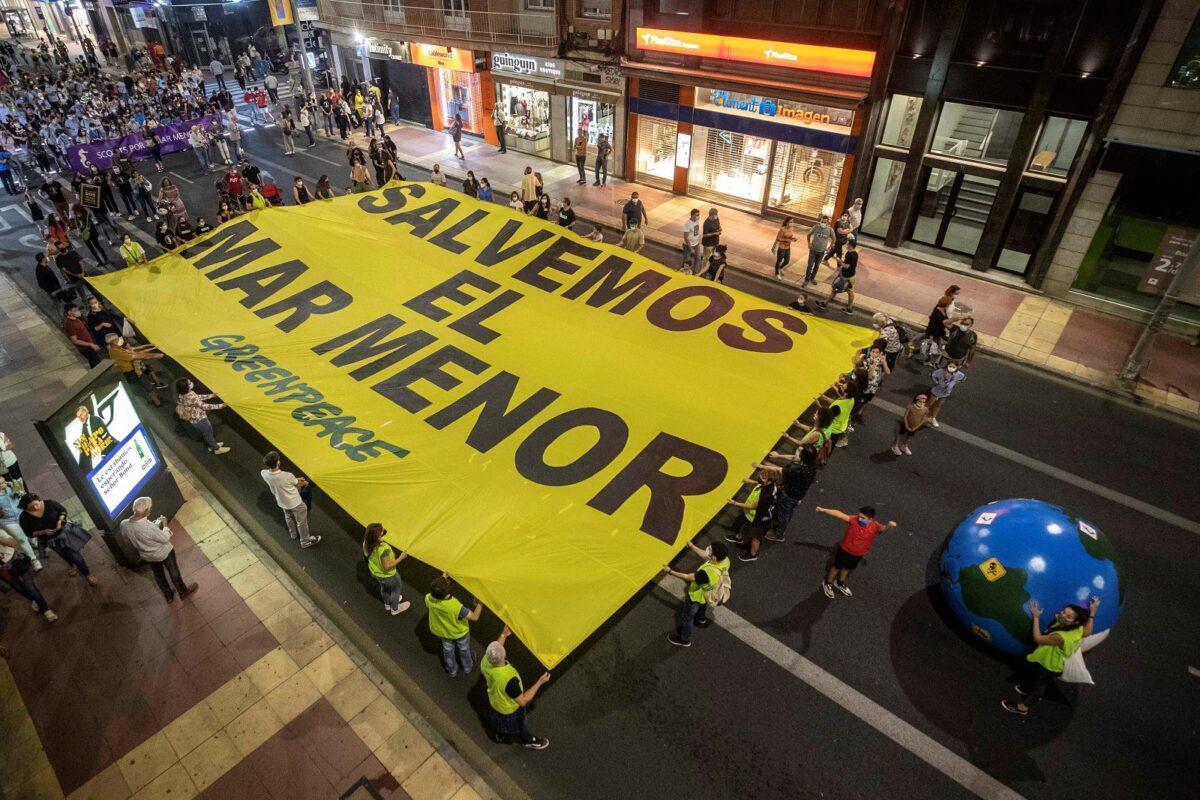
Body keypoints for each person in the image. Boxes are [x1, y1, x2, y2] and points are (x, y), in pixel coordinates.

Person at [1002, 597, 1098, 716]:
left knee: (1038, 687)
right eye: (1064, 612)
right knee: (1036, 679)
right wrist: (1093, 612)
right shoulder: (1077, 628)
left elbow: (1037, 638)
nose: (1062, 615)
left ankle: (1023, 707)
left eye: (1068, 616)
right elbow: (1088, 631)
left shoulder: (1060, 637)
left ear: (1075, 621)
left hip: (1049, 666)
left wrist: (1036, 617)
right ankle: (1028, 690)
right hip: (1049, 661)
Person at [481, 625, 551, 749]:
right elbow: (523, 701)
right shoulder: (509, 680)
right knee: (519, 726)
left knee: (499, 723)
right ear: (504, 655)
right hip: (509, 710)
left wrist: (503, 634)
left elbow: (496, 648)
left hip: (495, 703)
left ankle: (500, 734)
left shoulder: (486, 662)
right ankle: (528, 740)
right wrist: (540, 682)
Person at [121, 496, 197, 602]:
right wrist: (165, 525)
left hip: (147, 556)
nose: (151, 510)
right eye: (150, 508)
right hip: (163, 552)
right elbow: (165, 538)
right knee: (173, 571)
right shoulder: (148, 527)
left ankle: (168, 596)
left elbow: (126, 538)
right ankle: (183, 592)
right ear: (146, 511)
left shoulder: (124, 524)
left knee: (158, 575)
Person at [815, 506, 896, 598]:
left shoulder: (875, 526)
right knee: (836, 567)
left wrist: (889, 526)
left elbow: (882, 529)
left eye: (863, 518)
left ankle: (840, 582)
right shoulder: (854, 520)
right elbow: (839, 514)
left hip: (858, 554)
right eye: (859, 516)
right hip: (844, 550)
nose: (859, 519)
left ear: (870, 519)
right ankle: (827, 583)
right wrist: (824, 510)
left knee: (847, 568)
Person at [18, 494, 97, 585]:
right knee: (63, 554)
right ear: (25, 508)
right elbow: (28, 533)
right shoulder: (24, 517)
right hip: (49, 541)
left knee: (76, 556)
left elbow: (63, 511)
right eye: (31, 507)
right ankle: (72, 565)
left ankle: (87, 574)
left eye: (37, 504)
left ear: (39, 500)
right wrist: (42, 532)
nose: (36, 507)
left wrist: (59, 520)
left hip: (64, 535)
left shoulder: (50, 503)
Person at [663, 540, 730, 647]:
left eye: (710, 549)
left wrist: (670, 571)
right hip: (707, 593)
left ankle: (685, 639)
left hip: (696, 596)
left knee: (687, 617)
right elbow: (705, 556)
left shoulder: (706, 574)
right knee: (703, 604)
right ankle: (701, 618)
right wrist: (692, 546)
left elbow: (687, 577)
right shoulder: (725, 560)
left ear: (714, 557)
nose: (708, 547)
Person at [756, 445, 818, 543]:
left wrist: (762, 466)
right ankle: (779, 530)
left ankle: (778, 534)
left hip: (789, 495)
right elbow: (794, 458)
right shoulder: (813, 465)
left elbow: (781, 470)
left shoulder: (799, 470)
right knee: (788, 513)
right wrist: (778, 456)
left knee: (783, 515)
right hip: (799, 494)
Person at [426, 574, 483, 677]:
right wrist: (481, 603)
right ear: (447, 592)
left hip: (442, 632)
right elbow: (475, 617)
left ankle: (452, 670)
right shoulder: (455, 607)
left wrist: (442, 577)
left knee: (447, 650)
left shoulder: (428, 598)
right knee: (464, 649)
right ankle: (467, 667)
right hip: (459, 633)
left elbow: (436, 590)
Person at [260, 450, 320, 548]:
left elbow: (290, 481)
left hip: (281, 501)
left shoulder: (264, 473)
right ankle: (305, 541)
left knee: (288, 516)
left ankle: (293, 534)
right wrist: (305, 482)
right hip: (295, 503)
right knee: (302, 522)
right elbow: (296, 483)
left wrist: (296, 480)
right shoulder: (287, 475)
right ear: (278, 462)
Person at [1, 529, 56, 622]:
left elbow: (12, 542)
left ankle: (46, 610)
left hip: (15, 562)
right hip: (3, 571)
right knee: (19, 588)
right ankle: (34, 600)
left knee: (30, 587)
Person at [725, 468, 778, 562]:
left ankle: (752, 554)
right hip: (753, 515)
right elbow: (759, 482)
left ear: (767, 480)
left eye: (762, 477)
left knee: (755, 537)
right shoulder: (772, 485)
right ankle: (739, 537)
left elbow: (752, 506)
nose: (760, 478)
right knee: (745, 524)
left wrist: (734, 503)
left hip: (759, 518)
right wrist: (749, 481)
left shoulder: (765, 495)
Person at [174, 378, 231, 455]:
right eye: (189, 383)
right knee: (208, 432)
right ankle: (216, 448)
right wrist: (220, 406)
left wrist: (211, 396)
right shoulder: (190, 396)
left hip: (195, 417)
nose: (191, 383)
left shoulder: (183, 393)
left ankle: (212, 445)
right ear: (186, 387)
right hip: (199, 418)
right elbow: (204, 406)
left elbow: (197, 397)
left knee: (207, 432)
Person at [362, 522, 409, 614]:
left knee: (384, 588)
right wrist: (401, 557)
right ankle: (394, 609)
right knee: (396, 590)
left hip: (377, 573)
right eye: (381, 530)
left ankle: (387, 604)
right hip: (388, 575)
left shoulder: (366, 542)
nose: (383, 531)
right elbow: (387, 566)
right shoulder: (383, 548)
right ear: (378, 535)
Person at [0, 476, 40, 570]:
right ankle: (34, 560)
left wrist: (20, 491)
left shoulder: (11, 486)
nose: (5, 483)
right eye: (2, 483)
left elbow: (23, 496)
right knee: (21, 539)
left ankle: (34, 542)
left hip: (21, 514)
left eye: (4, 481)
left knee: (30, 530)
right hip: (7, 520)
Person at [815, 236, 857, 315]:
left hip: (846, 278)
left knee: (838, 289)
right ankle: (826, 304)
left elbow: (847, 266)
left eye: (847, 244)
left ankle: (826, 304)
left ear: (851, 245)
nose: (846, 245)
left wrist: (840, 261)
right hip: (850, 276)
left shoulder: (849, 254)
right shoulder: (855, 254)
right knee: (842, 290)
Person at [891, 391, 929, 456]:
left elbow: (924, 419)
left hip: (915, 426)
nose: (922, 403)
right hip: (906, 424)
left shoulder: (925, 409)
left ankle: (904, 446)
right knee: (900, 434)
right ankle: (895, 446)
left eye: (924, 401)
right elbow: (905, 416)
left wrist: (916, 427)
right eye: (920, 401)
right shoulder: (911, 406)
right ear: (916, 400)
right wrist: (906, 425)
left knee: (909, 436)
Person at [917, 296, 952, 365]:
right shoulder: (936, 313)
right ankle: (925, 360)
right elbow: (931, 326)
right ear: (946, 304)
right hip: (933, 334)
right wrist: (931, 337)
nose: (950, 305)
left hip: (939, 333)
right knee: (929, 348)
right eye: (949, 304)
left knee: (932, 347)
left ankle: (926, 359)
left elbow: (944, 321)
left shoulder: (943, 310)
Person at [928, 361, 965, 427]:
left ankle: (933, 418)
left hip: (945, 393)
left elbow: (963, 378)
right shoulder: (941, 371)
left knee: (938, 405)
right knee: (930, 404)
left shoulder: (958, 374)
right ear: (947, 365)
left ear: (957, 367)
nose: (952, 368)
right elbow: (932, 375)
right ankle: (925, 415)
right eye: (950, 366)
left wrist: (955, 382)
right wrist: (936, 382)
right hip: (936, 390)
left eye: (954, 367)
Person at [804, 214, 834, 286]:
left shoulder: (830, 230)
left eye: (825, 222)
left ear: (827, 223)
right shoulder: (816, 227)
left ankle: (812, 278)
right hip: (813, 250)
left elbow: (834, 239)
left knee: (817, 266)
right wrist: (809, 243)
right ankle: (807, 279)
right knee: (810, 266)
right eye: (822, 222)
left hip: (821, 252)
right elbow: (808, 234)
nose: (823, 223)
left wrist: (829, 247)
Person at [681, 208, 702, 274]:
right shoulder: (687, 224)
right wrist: (691, 248)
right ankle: (683, 272)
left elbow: (696, 232)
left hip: (696, 244)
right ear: (692, 215)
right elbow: (686, 238)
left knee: (698, 258)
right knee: (686, 260)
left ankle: (695, 273)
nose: (698, 216)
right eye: (697, 215)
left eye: (698, 215)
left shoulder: (697, 221)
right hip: (688, 246)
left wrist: (698, 241)